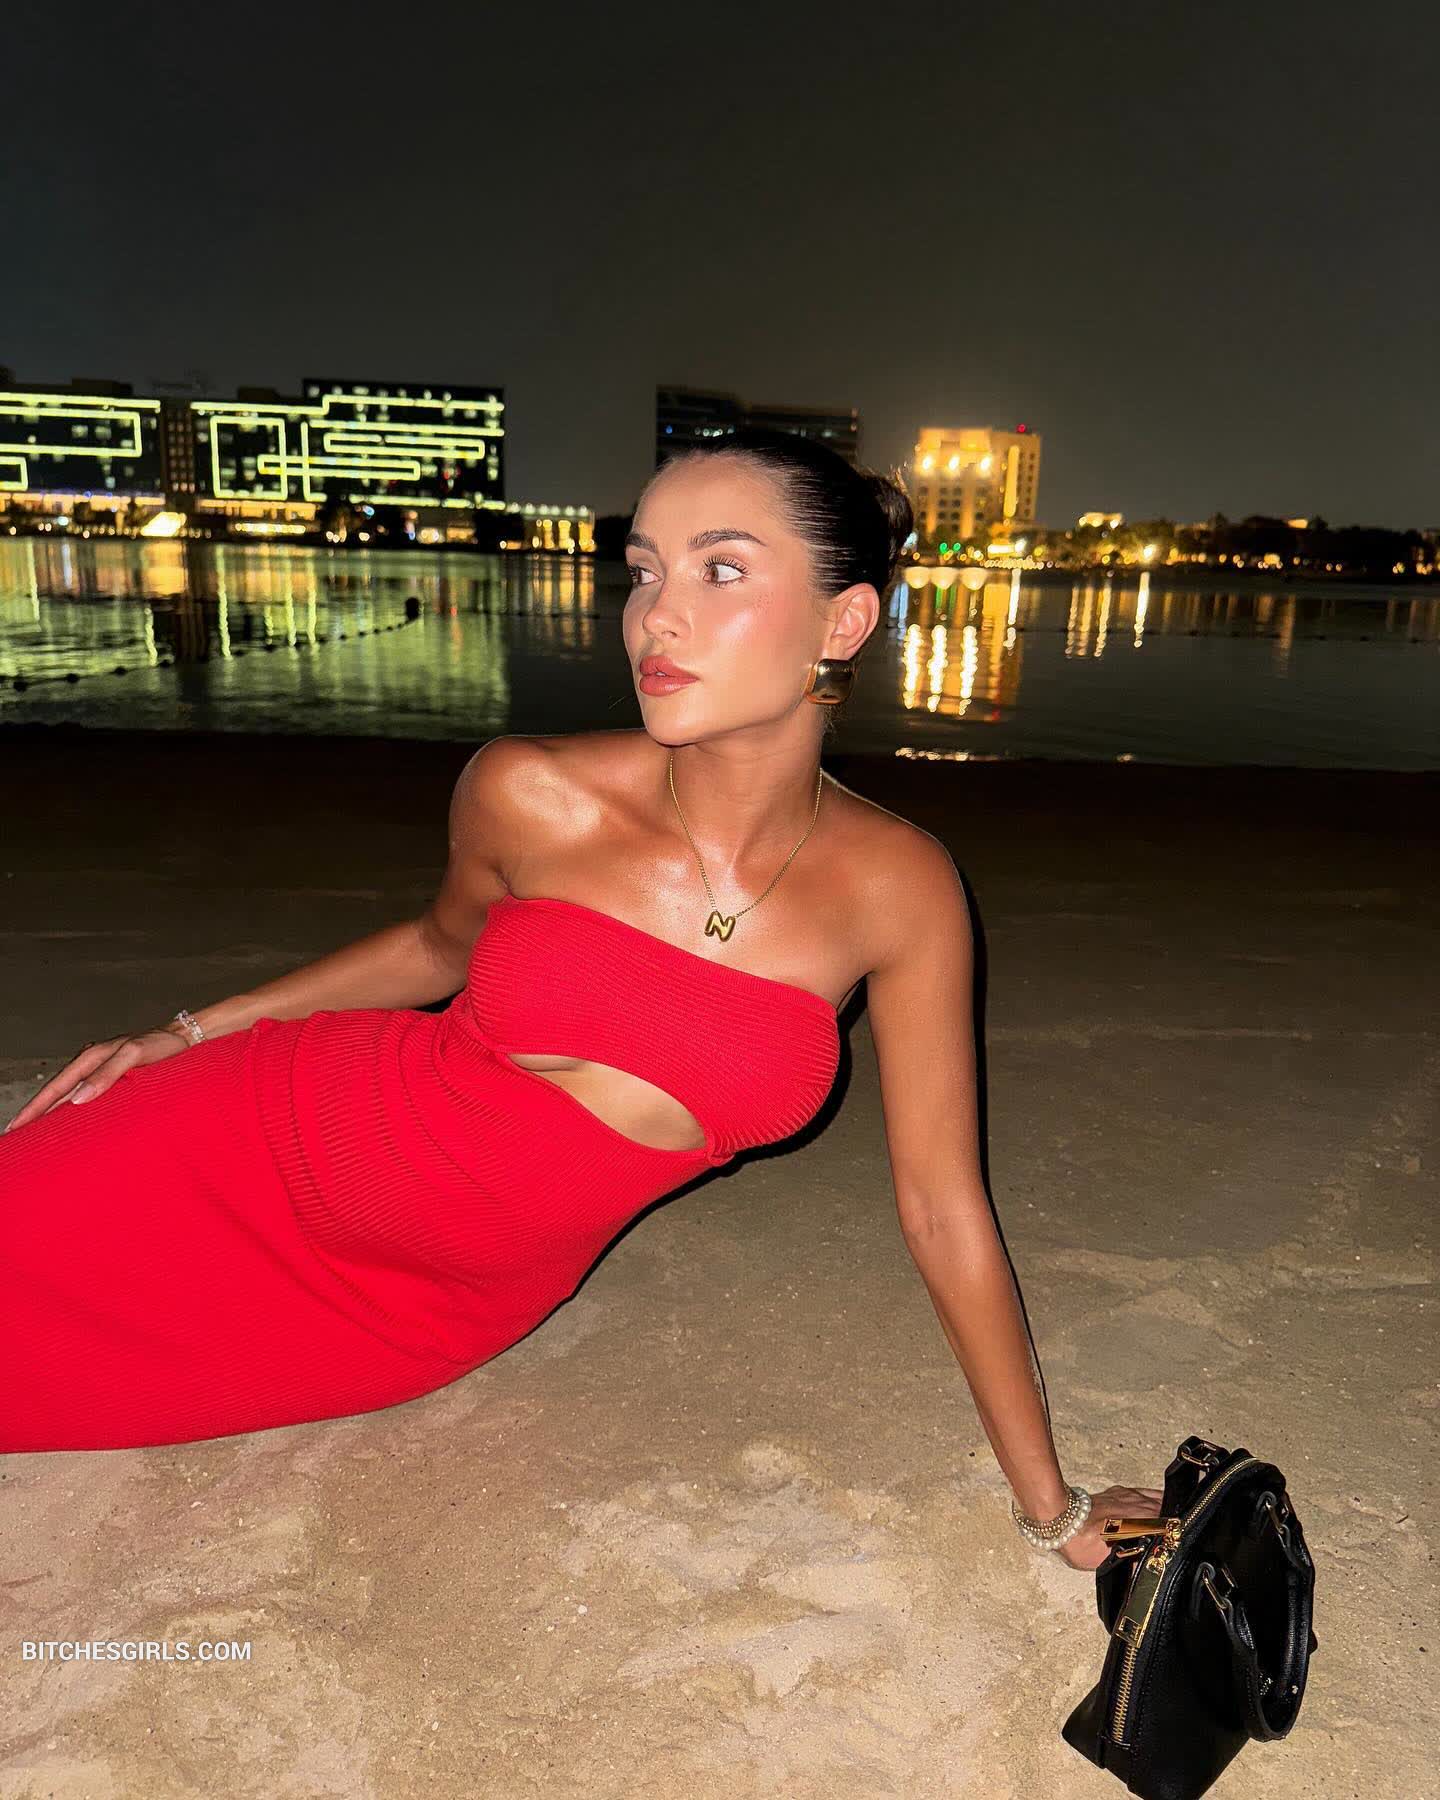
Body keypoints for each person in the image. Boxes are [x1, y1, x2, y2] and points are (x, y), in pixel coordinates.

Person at [1, 426, 1161, 1568]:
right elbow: (433, 947)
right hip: (254, 1145)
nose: (657, 616)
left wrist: (1054, 1513)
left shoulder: (901, 890)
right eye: (644, 572)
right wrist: (185, 1032)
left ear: (843, 622)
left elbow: (942, 1210)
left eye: (720, 570)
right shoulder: (533, 791)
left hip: (428, 1311)